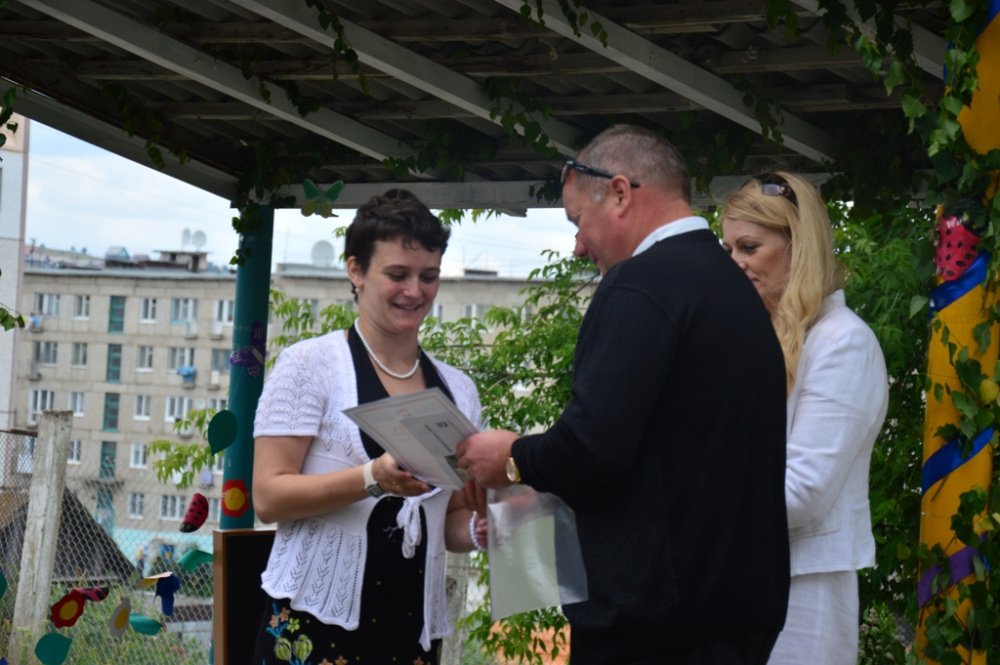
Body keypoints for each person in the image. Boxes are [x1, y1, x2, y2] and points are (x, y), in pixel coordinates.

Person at [457, 124, 790, 664]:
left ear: (619, 193)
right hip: (738, 610)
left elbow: (593, 447)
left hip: (654, 624)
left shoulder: (641, 284)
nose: (576, 246)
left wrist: (513, 459)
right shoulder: (734, 288)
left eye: (576, 221)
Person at [250, 189, 484, 665]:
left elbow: (451, 521)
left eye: (429, 276)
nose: (415, 291)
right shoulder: (309, 366)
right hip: (312, 622)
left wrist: (494, 523)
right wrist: (372, 478)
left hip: (411, 632)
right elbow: (269, 498)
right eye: (397, 275)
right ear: (355, 270)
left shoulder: (460, 390)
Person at [720, 173, 888, 665]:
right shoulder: (760, 338)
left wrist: (691, 494)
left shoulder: (843, 341)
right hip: (741, 579)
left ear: (800, 247)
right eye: (728, 249)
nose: (735, 263)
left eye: (749, 247)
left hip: (806, 589)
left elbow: (803, 493)